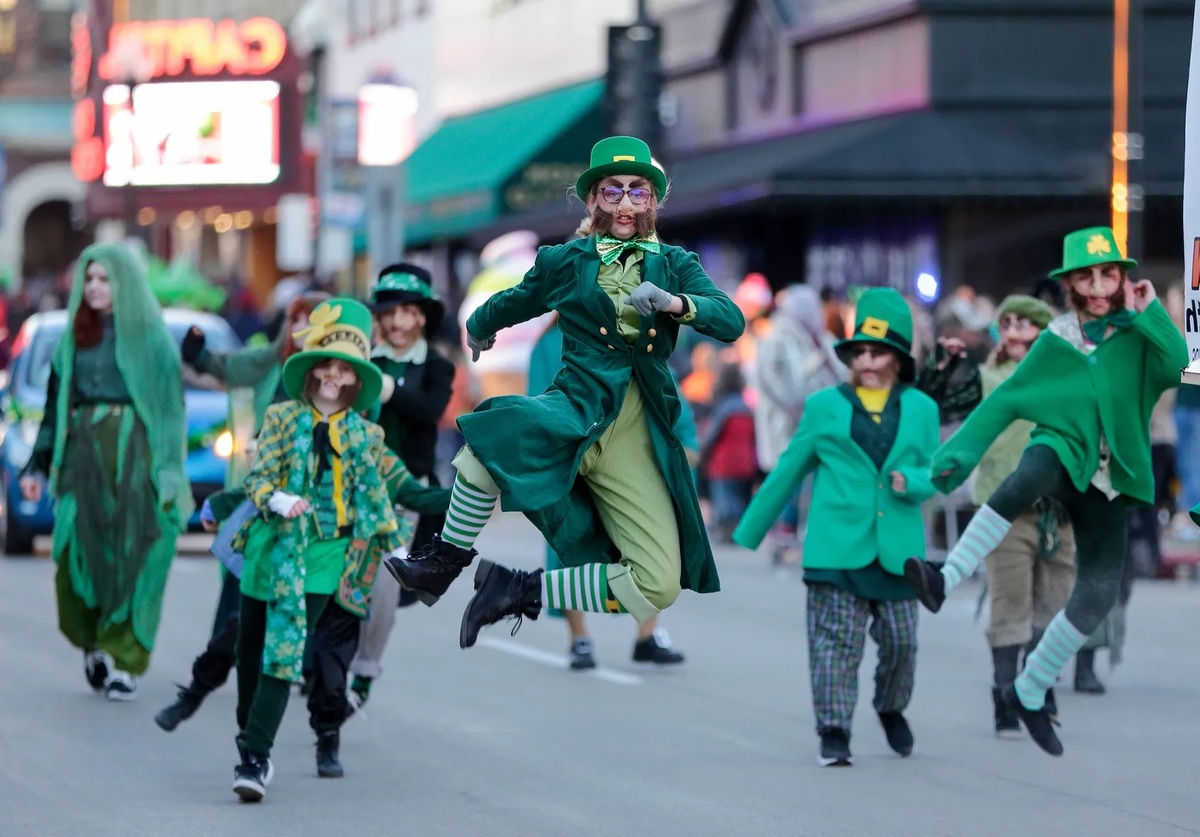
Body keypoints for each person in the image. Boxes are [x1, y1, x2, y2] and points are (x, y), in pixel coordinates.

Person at [385, 135, 744, 646]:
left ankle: (519, 589)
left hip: (637, 429)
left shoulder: (676, 263)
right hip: (576, 404)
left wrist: (675, 303)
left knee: (658, 584)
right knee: (493, 435)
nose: (624, 203)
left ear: (653, 201)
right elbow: (517, 299)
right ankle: (443, 560)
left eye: (637, 191)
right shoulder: (566, 261)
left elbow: (730, 320)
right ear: (594, 199)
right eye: (612, 191)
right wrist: (480, 327)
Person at [904, 226, 1186, 756]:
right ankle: (945, 576)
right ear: (1070, 283)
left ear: (1123, 278)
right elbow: (1006, 400)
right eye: (1087, 276)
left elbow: (1176, 365)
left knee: (1099, 591)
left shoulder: (1138, 333)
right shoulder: (1056, 338)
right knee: (1032, 472)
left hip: (1112, 476)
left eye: (1108, 274)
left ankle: (1031, 689)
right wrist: (953, 458)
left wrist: (1151, 312)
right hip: (1062, 452)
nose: (1099, 286)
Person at [732, 288, 939, 767]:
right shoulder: (824, 406)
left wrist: (917, 482)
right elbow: (789, 468)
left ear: (900, 358)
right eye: (860, 350)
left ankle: (891, 707)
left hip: (898, 551)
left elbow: (938, 471)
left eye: (879, 351)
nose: (866, 360)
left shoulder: (923, 410)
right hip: (834, 547)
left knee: (903, 643)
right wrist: (750, 531)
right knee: (834, 646)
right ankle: (834, 730)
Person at [229, 298, 406, 801]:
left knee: (282, 653)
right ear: (311, 369)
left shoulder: (365, 434)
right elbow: (258, 479)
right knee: (250, 653)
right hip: (269, 550)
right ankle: (249, 738)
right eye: (326, 364)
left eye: (344, 369)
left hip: (324, 559)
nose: (333, 375)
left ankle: (255, 758)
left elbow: (375, 499)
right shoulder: (282, 418)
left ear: (355, 380)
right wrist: (278, 498)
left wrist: (398, 552)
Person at [20, 243, 192, 700]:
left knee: (135, 557)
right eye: (89, 279)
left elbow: (172, 412)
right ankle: (93, 641)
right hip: (82, 459)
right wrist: (36, 463)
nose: (94, 287)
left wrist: (170, 474)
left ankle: (126, 660)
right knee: (77, 550)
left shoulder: (153, 340)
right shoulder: (73, 338)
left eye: (104, 279)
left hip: (137, 460)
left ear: (125, 284)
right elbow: (55, 411)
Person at [155, 292, 328, 731]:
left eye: (314, 323)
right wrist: (199, 355)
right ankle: (213, 673)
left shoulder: (339, 378)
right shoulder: (275, 361)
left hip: (318, 506)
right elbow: (233, 366)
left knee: (313, 594)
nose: (303, 332)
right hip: (265, 494)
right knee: (241, 584)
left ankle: (311, 676)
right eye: (297, 322)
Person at [529, 316, 689, 669]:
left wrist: (686, 437)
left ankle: (647, 635)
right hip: (577, 459)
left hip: (636, 458)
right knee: (568, 547)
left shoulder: (633, 332)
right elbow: (539, 405)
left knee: (650, 546)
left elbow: (664, 384)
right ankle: (579, 637)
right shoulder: (549, 344)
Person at [348, 264, 454, 706]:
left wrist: (388, 388)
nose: (396, 322)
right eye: (389, 312)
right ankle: (326, 657)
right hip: (351, 485)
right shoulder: (358, 361)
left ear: (422, 317)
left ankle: (365, 669)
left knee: (386, 580)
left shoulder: (437, 366)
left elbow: (430, 410)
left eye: (406, 312)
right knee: (340, 574)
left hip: (406, 492)